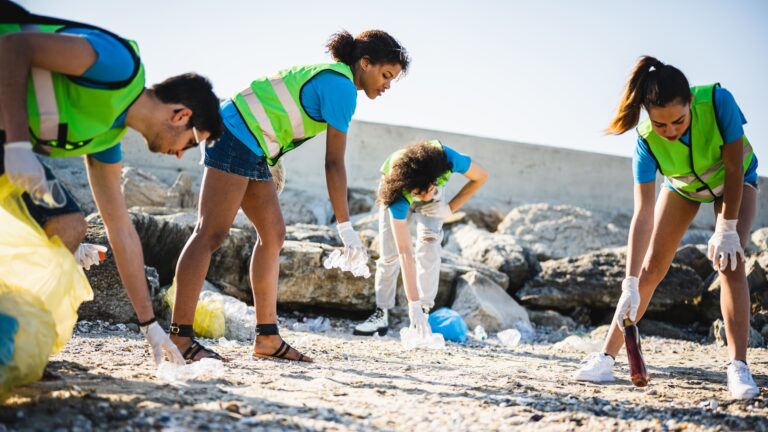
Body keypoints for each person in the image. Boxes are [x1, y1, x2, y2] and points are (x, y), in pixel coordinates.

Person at [0, 1, 222, 366]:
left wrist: (149, 325)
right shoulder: (119, 65)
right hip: (11, 143)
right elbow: (14, 47)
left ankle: (11, 341)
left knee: (67, 227)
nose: (182, 155)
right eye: (191, 143)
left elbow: (122, 232)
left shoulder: (106, 141)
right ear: (181, 115)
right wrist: (20, 146)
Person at [170, 30, 410, 362]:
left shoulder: (334, 78)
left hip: (256, 146)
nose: (386, 85)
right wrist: (345, 227)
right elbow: (334, 164)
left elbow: (281, 111)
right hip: (236, 136)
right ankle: (179, 339)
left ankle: (267, 338)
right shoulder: (342, 88)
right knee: (209, 233)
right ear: (365, 63)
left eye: (392, 80)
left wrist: (275, 156)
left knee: (273, 235)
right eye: (385, 75)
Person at [572, 56, 760, 400]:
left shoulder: (719, 102)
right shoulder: (644, 141)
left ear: (690, 101)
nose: (671, 131)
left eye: (679, 121)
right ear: (648, 116)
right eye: (662, 126)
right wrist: (629, 283)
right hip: (684, 189)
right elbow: (642, 214)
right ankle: (605, 358)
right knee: (649, 269)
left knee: (730, 261)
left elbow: (733, 168)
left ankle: (738, 366)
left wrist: (727, 227)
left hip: (735, 183)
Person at [353, 140, 487, 337]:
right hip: (398, 186)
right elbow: (405, 253)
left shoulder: (449, 159)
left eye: (427, 191)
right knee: (389, 253)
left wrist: (450, 209)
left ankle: (423, 314)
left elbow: (481, 177)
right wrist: (411, 304)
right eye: (418, 194)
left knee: (430, 244)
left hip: (430, 189)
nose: (423, 198)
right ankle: (381, 313)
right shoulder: (397, 195)